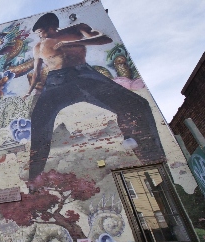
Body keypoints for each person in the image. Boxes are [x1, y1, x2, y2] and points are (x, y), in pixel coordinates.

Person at [26, 13, 164, 182]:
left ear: (51, 27)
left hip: (83, 74)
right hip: (56, 81)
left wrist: (75, 43)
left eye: (41, 31)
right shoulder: (38, 46)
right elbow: (37, 71)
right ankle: (34, 181)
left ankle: (152, 157)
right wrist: (30, 91)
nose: (40, 35)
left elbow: (104, 39)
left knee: (138, 104)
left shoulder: (76, 29)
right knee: (39, 120)